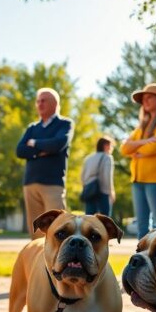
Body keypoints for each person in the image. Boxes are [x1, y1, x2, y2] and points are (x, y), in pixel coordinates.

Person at [120, 83, 156, 239]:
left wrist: (136, 148)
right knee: (142, 227)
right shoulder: (144, 124)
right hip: (138, 180)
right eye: (143, 98)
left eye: (149, 97)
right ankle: (141, 261)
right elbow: (124, 149)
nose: (145, 101)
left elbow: (154, 147)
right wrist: (142, 143)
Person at [16, 87, 74, 239]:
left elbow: (58, 144)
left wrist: (34, 143)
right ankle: (37, 262)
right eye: (38, 101)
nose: (40, 104)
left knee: (59, 228)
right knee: (35, 232)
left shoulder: (64, 124)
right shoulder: (32, 127)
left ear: (55, 103)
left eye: (44, 100)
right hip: (30, 184)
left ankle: (58, 262)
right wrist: (42, 150)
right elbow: (20, 151)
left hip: (52, 184)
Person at [81, 136, 116, 216]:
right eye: (111, 146)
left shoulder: (88, 158)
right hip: (103, 191)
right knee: (105, 219)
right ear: (106, 145)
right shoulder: (107, 157)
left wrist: (86, 187)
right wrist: (111, 192)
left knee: (89, 217)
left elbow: (82, 177)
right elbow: (108, 177)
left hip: (89, 191)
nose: (112, 148)